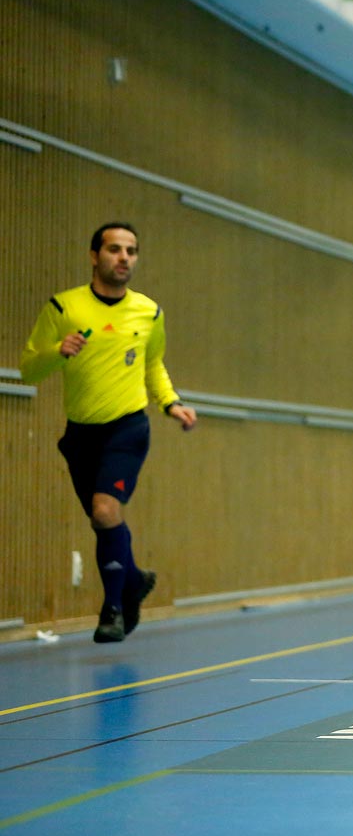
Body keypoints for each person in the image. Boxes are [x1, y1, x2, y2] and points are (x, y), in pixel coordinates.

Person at [20, 223, 197, 643]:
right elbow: (29, 368)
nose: (124, 258)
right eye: (115, 249)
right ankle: (132, 579)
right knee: (104, 523)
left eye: (132, 251)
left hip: (128, 427)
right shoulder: (64, 308)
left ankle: (114, 608)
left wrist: (171, 403)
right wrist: (55, 353)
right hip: (81, 433)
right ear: (94, 255)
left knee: (104, 511)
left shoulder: (148, 312)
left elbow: (153, 365)